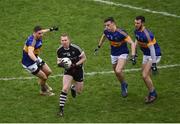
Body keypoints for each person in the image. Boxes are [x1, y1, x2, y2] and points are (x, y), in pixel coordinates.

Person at [94, 17, 136, 98]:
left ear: (113, 23)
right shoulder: (106, 31)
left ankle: (123, 86)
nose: (106, 27)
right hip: (113, 54)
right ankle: (124, 84)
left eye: (108, 25)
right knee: (116, 73)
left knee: (118, 70)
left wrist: (133, 56)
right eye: (105, 25)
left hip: (123, 53)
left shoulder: (121, 33)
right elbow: (104, 36)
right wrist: (99, 46)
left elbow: (132, 43)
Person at [21, 25, 58, 96]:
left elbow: (43, 31)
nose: (41, 35)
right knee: (44, 77)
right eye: (39, 33)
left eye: (41, 33)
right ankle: (43, 90)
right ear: (34, 33)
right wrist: (37, 62)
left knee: (48, 72)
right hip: (29, 63)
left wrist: (51, 29)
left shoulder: (38, 35)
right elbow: (30, 53)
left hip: (35, 57)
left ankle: (42, 83)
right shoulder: (32, 41)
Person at [56, 33, 86, 117]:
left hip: (78, 70)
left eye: (65, 40)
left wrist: (75, 64)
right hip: (68, 71)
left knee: (79, 91)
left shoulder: (76, 48)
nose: (64, 42)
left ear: (69, 40)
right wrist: (61, 64)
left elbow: (84, 58)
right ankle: (61, 109)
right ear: (60, 41)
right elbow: (58, 61)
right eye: (62, 40)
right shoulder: (59, 50)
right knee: (65, 89)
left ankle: (73, 87)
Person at [134, 16, 161, 103]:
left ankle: (153, 94)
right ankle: (151, 92)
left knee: (145, 75)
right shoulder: (136, 31)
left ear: (142, 23)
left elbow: (152, 50)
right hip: (146, 54)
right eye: (135, 23)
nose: (136, 25)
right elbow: (137, 40)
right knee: (145, 76)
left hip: (154, 55)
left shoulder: (147, 35)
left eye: (138, 23)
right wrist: (134, 53)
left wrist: (154, 64)